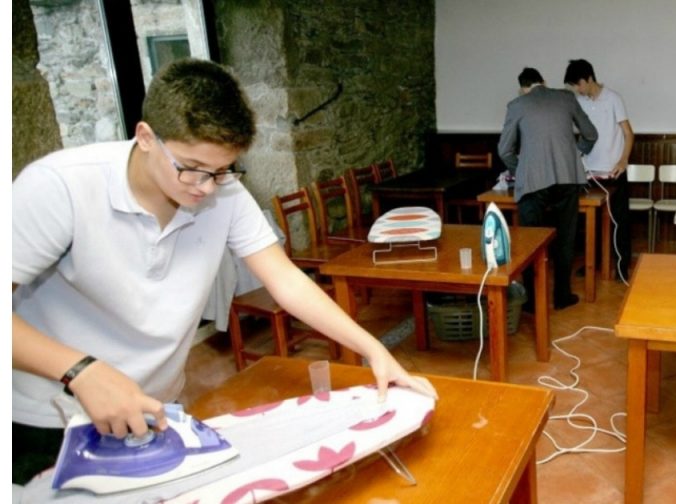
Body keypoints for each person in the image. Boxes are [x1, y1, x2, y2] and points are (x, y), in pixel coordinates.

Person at [11, 58, 437, 484]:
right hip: (44, 416)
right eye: (191, 168)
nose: (206, 187)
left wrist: (373, 349)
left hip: (152, 408)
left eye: (221, 171)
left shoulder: (225, 194)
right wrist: (81, 370)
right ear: (145, 137)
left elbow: (285, 280)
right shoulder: (60, 186)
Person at [497, 67, 598, 310]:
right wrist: (576, 153)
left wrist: (520, 168)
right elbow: (591, 134)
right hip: (567, 178)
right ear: (543, 81)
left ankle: (532, 302)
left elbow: (504, 150)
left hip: (533, 183)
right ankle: (562, 296)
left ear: (523, 87)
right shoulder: (566, 98)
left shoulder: (517, 105)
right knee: (565, 239)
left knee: (531, 242)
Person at [564, 59, 634, 281]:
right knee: (591, 224)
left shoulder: (613, 98)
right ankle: (592, 264)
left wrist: (623, 161)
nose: (577, 90)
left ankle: (622, 268)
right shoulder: (579, 102)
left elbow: (629, 134)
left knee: (619, 222)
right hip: (588, 172)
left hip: (613, 172)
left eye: (578, 85)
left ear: (589, 79)